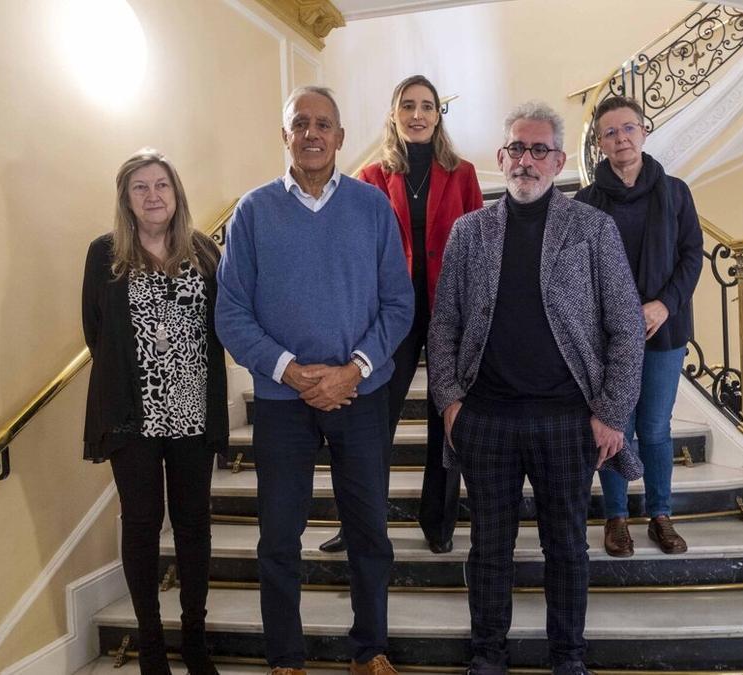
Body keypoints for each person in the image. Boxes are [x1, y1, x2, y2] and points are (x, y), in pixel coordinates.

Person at [427, 102, 644, 675]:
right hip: (487, 420)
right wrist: (450, 403)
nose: (526, 160)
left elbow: (625, 325)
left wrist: (612, 414)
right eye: (517, 149)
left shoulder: (592, 228)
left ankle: (569, 657)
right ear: (500, 157)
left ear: (560, 160)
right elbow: (443, 323)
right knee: (489, 549)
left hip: (567, 419)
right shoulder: (469, 231)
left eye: (539, 149)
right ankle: (487, 654)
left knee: (567, 549)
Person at [215, 86, 414, 675]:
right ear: (285, 135)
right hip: (282, 402)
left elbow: (398, 305)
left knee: (369, 532)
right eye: (299, 123)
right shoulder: (251, 212)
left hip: (359, 395)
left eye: (323, 124)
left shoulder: (371, 206)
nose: (311, 133)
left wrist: (353, 369)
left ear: (340, 137)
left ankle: (370, 649)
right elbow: (230, 313)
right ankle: (286, 657)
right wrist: (291, 371)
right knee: (279, 536)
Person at [319, 75, 483, 555]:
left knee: (446, 419)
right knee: (373, 423)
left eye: (427, 106)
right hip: (391, 314)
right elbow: (356, 250)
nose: (417, 114)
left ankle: (439, 524)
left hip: (450, 309)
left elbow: (479, 246)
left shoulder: (465, 173)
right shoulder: (370, 177)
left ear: (438, 114)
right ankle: (358, 525)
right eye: (407, 105)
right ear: (393, 114)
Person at [81, 148, 227, 675]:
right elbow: (98, 333)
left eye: (160, 184)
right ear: (126, 198)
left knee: (193, 526)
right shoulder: (105, 255)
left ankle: (193, 639)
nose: (152, 195)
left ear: (176, 192)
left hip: (193, 414)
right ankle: (150, 644)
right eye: (140, 187)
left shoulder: (206, 252)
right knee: (141, 525)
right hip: (133, 418)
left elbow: (222, 325)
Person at [574, 96, 704, 558]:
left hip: (663, 332)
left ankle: (660, 514)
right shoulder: (586, 202)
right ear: (599, 143)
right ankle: (615, 518)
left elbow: (692, 256)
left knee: (654, 429)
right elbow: (576, 271)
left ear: (644, 132)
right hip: (607, 339)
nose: (621, 139)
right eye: (610, 132)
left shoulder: (675, 191)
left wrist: (664, 306)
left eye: (628, 128)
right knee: (613, 427)